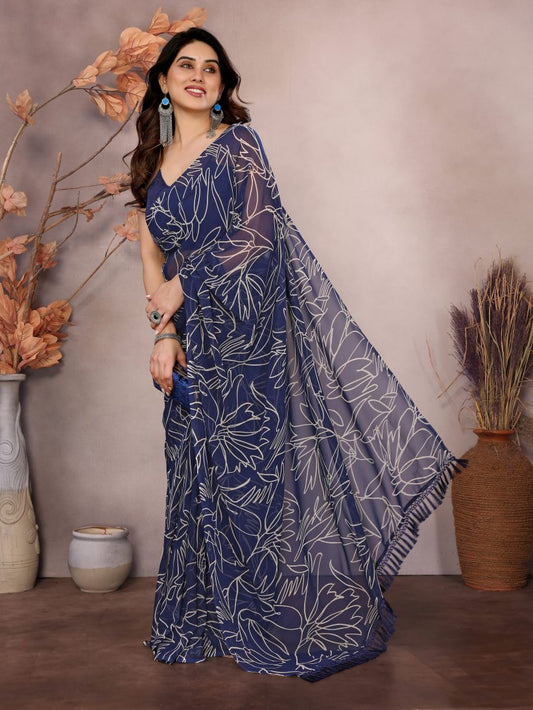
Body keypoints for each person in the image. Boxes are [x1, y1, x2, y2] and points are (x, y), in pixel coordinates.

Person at [129, 27, 462, 682]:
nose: (198, 75)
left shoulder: (238, 145)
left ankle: (269, 620)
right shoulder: (153, 165)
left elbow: (257, 239)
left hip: (248, 335)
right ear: (163, 82)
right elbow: (149, 255)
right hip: (192, 341)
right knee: (192, 475)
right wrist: (165, 335)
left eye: (211, 69)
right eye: (185, 65)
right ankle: (204, 622)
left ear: (223, 87)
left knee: (251, 484)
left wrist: (183, 284)